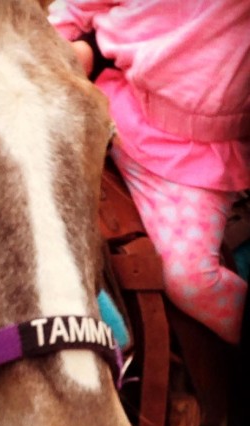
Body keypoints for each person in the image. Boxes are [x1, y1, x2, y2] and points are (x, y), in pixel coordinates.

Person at [48, 0, 250, 345]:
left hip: (194, 161)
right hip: (103, 98)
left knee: (191, 281)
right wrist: (53, 46)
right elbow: (78, 7)